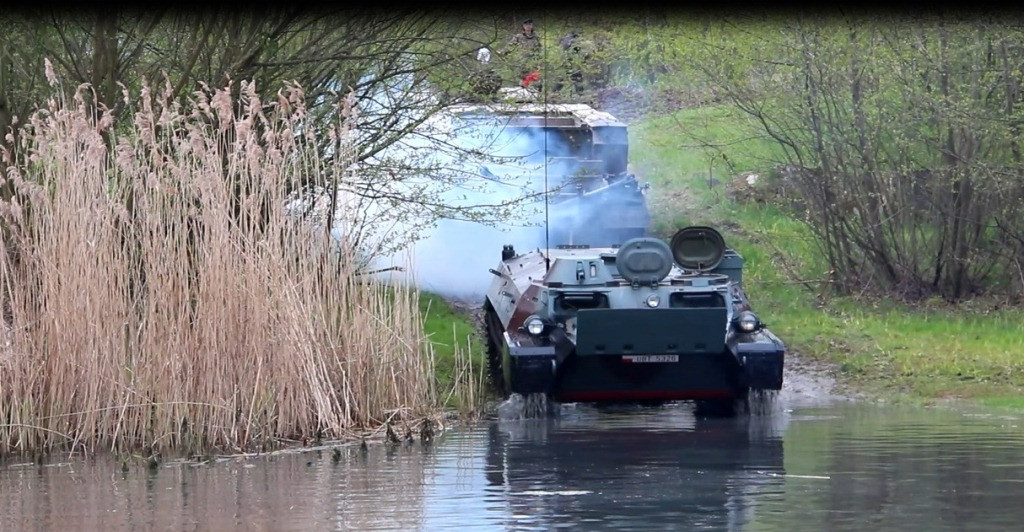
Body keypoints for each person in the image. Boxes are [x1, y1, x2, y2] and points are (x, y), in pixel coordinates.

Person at [505, 18, 542, 88]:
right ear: (523, 26)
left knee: (536, 83)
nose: (528, 26)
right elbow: (510, 46)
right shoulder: (519, 37)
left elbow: (540, 50)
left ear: (532, 26)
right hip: (521, 63)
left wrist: (539, 63)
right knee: (522, 83)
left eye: (530, 24)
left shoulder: (536, 37)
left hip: (533, 63)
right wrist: (502, 52)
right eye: (526, 24)